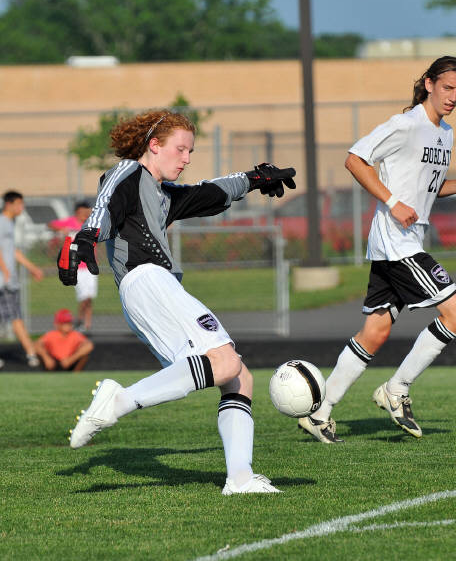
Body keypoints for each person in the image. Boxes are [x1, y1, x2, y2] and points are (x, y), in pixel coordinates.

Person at [57, 109, 296, 494]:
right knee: (225, 362)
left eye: (190, 151)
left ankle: (239, 478)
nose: (186, 159)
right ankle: (119, 400)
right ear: (154, 145)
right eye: (180, 149)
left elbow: (208, 193)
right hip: (147, 281)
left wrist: (254, 179)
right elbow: (105, 201)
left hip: (151, 288)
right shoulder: (129, 172)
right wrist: (86, 237)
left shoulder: (162, 193)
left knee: (237, 377)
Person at [298, 56, 456, 443]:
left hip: (404, 240)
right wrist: (391, 202)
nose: (453, 97)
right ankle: (396, 389)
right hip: (396, 241)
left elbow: (424, 187)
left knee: (376, 331)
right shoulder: (405, 125)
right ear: (429, 84)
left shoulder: (445, 133)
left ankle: (319, 413)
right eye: (447, 88)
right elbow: (355, 160)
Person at [0, 191, 44, 368]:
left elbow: (13, 251)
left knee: (14, 316)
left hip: (9, 281)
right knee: (15, 317)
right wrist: (5, 271)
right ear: (9, 204)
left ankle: (31, 352)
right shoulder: (2, 222)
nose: (21, 207)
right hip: (4, 281)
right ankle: (31, 353)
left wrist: (32, 267)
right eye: (19, 203)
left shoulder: (9, 223)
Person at [49, 201, 97, 332]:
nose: (84, 214)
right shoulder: (70, 222)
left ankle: (87, 324)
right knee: (84, 296)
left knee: (89, 297)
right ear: (77, 212)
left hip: (90, 265)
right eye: (82, 212)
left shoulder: (90, 223)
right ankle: (79, 320)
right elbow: (51, 225)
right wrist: (62, 230)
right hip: (76, 266)